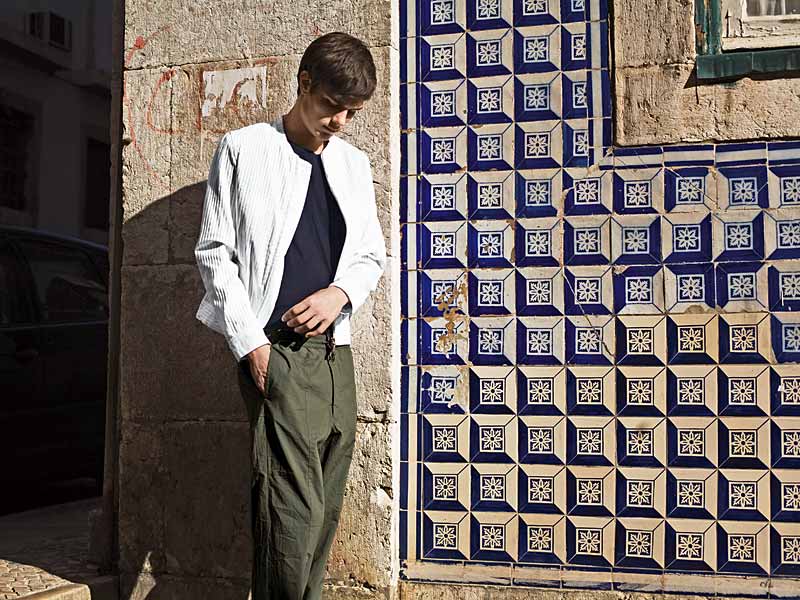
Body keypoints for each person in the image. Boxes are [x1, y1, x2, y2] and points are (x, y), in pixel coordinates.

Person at [193, 31, 387, 600]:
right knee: (289, 507)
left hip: (334, 351)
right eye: (331, 105)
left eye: (352, 112)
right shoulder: (244, 148)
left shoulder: (353, 164)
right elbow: (214, 253)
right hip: (275, 347)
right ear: (304, 83)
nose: (340, 122)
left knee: (324, 501)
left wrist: (338, 295)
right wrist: (250, 345)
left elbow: (370, 254)